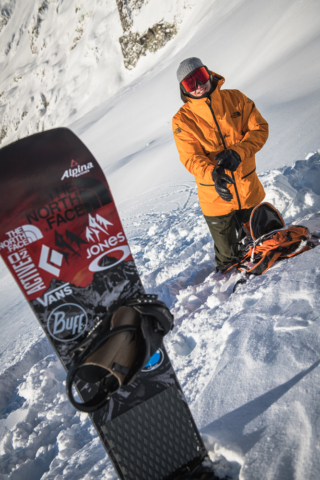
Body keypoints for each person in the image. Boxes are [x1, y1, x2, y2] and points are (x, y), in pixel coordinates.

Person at [172, 57, 268, 272]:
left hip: (248, 190)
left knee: (263, 243)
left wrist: (239, 152)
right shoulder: (182, 120)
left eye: (201, 77)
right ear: (183, 89)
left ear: (209, 73)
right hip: (215, 198)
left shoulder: (236, 99)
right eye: (190, 83)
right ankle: (226, 293)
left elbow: (260, 129)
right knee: (227, 257)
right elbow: (190, 157)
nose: (198, 86)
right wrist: (213, 174)